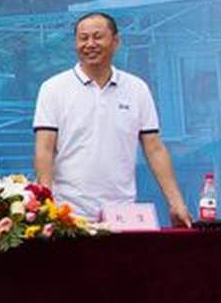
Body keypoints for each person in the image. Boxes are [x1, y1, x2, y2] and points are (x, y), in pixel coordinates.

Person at [33, 12, 191, 226]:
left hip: (122, 212)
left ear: (116, 41)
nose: (90, 44)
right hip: (68, 213)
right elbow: (44, 149)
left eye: (98, 37)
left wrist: (176, 202)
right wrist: (46, 204)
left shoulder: (137, 88)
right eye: (83, 38)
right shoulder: (53, 88)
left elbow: (154, 148)